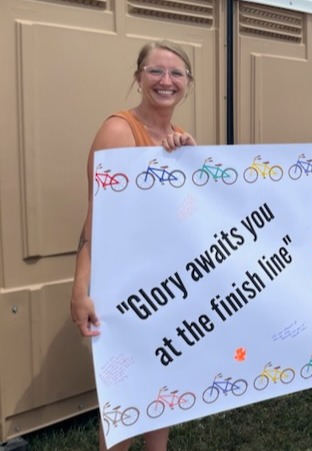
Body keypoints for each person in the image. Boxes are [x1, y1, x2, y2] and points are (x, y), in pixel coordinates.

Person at [70, 40, 196, 451]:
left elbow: (187, 219)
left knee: (164, 391)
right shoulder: (119, 131)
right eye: (156, 71)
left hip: (171, 284)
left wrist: (194, 167)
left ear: (188, 84)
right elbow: (96, 218)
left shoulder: (180, 139)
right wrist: (81, 288)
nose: (166, 81)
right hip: (126, 289)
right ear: (138, 77)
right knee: (125, 400)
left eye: (176, 73)